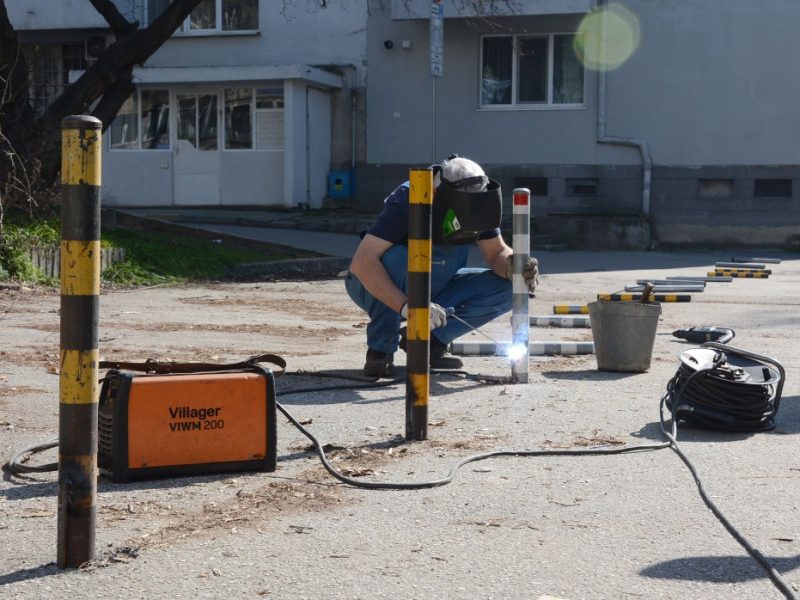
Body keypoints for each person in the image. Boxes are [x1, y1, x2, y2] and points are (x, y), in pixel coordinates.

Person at [345, 155, 539, 377]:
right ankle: (380, 351)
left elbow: (496, 252)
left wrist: (514, 266)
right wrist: (409, 307)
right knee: (398, 259)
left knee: (509, 287)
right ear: (441, 194)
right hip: (378, 286)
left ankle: (432, 343)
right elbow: (362, 263)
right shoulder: (409, 197)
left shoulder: (479, 203)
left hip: (437, 283)